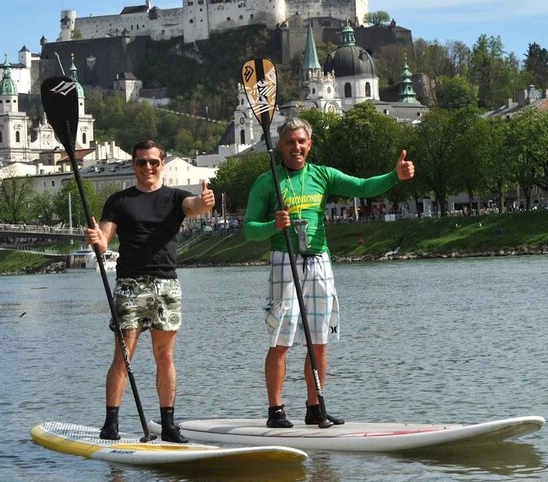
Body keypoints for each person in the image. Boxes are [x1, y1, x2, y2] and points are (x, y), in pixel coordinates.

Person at [243, 117, 414, 428]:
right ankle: (276, 411)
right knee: (281, 341)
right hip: (285, 259)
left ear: (309, 145)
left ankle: (315, 408)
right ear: (280, 146)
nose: (296, 147)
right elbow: (249, 230)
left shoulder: (322, 175)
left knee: (319, 340)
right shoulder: (267, 182)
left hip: (319, 260)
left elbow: (363, 187)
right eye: (290, 142)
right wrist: (273, 225)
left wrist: (395, 176)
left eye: (301, 142)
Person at [85, 139, 214, 443]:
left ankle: (168, 425)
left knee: (164, 357)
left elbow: (192, 207)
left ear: (162, 165)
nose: (147, 167)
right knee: (123, 356)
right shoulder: (119, 201)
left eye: (153, 162)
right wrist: (97, 241)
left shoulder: (175, 197)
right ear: (133, 165)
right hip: (129, 284)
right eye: (141, 162)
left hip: (166, 285)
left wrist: (204, 201)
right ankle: (111, 423)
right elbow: (104, 240)